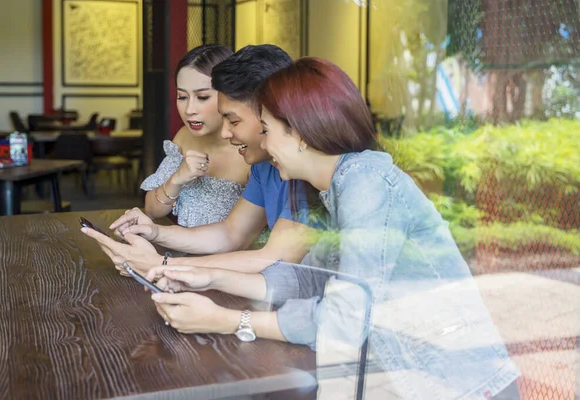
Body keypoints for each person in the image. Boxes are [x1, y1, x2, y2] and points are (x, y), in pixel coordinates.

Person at [142, 58, 521, 399]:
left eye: (268, 129)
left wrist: (228, 320)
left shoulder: (367, 185)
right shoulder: (340, 185)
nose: (264, 142)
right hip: (401, 376)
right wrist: (205, 279)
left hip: (456, 386)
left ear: (301, 133)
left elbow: (345, 319)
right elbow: (307, 279)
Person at [82, 45, 317, 274]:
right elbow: (231, 233)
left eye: (233, 121)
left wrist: (161, 265)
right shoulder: (263, 164)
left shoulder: (309, 170)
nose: (225, 133)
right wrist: (154, 232)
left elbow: (273, 259)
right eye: (182, 97)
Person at [141, 45, 249, 227]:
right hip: (187, 250)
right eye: (182, 97)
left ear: (230, 94)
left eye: (203, 97)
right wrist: (177, 178)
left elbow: (238, 235)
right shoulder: (184, 138)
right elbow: (152, 210)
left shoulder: (252, 151)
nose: (189, 110)